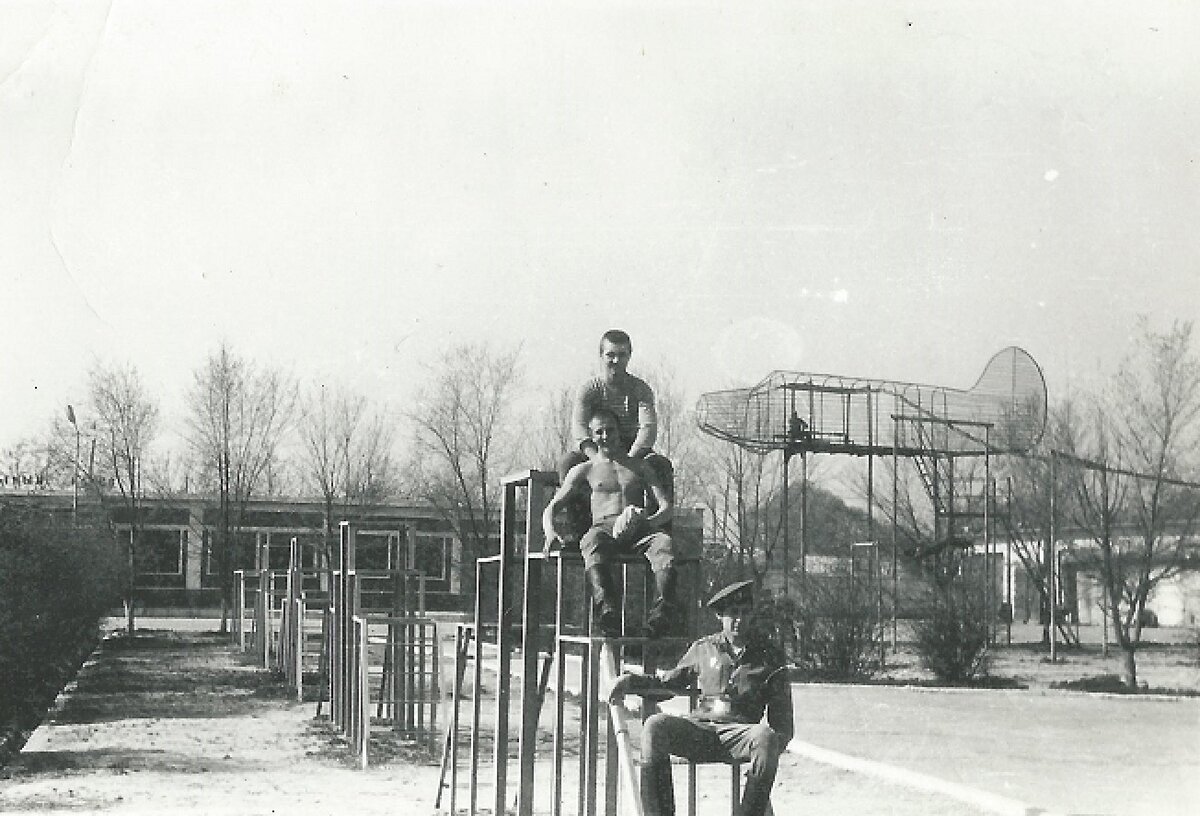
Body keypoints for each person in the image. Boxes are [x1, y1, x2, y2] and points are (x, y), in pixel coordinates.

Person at [607, 580, 793, 816]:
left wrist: (766, 760)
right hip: (701, 731)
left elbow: (783, 725)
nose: (739, 620)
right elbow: (668, 684)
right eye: (732, 613)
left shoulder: (770, 657)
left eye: (745, 613)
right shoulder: (704, 649)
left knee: (765, 737)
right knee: (655, 725)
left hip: (740, 734)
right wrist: (631, 682)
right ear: (720, 616)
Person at [543, 407, 680, 638]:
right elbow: (552, 507)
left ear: (619, 432)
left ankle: (662, 614)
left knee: (664, 543)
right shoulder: (584, 469)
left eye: (610, 430)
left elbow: (666, 507)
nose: (606, 436)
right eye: (600, 432)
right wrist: (550, 533)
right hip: (604, 528)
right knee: (591, 540)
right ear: (592, 437)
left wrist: (648, 522)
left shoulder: (640, 467)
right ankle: (607, 611)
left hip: (639, 528)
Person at [557, 330, 675, 541]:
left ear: (630, 356)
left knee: (661, 464)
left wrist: (629, 459)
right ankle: (581, 532)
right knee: (568, 462)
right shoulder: (589, 389)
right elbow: (580, 429)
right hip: (598, 447)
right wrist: (597, 460)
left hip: (630, 448)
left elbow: (647, 428)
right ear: (601, 355)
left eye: (622, 355)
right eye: (610, 355)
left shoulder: (641, 390)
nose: (616, 360)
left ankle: (657, 529)